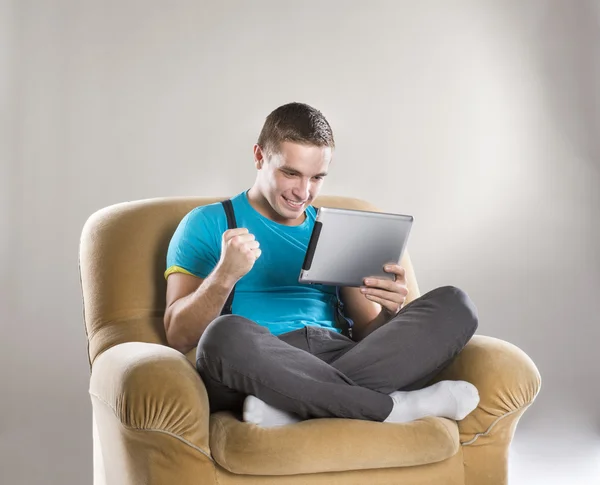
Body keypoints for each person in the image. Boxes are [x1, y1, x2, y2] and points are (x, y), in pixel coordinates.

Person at [163, 102, 480, 427]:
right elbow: (179, 336)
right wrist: (224, 276)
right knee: (223, 333)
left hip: (336, 355)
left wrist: (388, 312)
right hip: (257, 363)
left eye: (317, 177)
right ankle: (395, 408)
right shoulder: (206, 223)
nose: (303, 192)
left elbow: (367, 335)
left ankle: (291, 407)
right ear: (259, 157)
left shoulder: (337, 230)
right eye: (291, 173)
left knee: (455, 304)